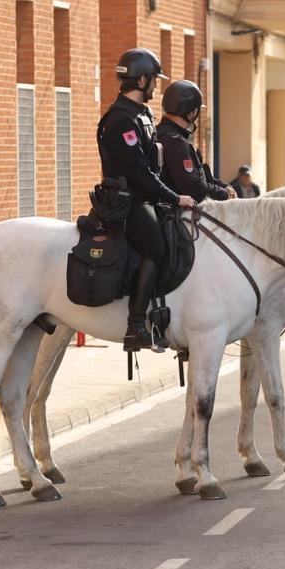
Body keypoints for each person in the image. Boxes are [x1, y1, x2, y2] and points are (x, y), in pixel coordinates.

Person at [97, 48, 194, 352]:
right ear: (141, 80)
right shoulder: (120, 120)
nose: (156, 86)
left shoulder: (142, 115)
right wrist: (175, 197)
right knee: (157, 246)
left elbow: (154, 169)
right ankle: (136, 325)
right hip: (127, 202)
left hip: (146, 197)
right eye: (153, 80)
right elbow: (139, 173)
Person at [159, 80, 235, 203]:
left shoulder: (166, 134)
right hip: (175, 213)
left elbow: (200, 177)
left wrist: (223, 186)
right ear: (192, 112)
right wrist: (223, 194)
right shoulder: (175, 142)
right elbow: (193, 187)